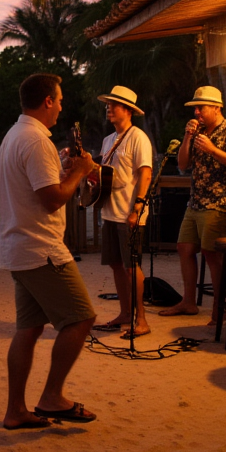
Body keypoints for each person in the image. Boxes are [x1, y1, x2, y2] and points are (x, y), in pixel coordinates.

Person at [0, 73, 100, 430]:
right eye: (59, 99)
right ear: (47, 102)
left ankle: (15, 410)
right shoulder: (36, 140)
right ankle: (52, 396)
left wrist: (65, 170)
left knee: (28, 329)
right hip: (41, 248)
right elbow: (53, 198)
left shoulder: (15, 135)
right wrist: (82, 171)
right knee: (82, 318)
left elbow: (41, 184)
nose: (61, 106)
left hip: (18, 246)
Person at [159, 86, 226, 320]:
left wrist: (212, 149)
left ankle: (221, 308)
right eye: (195, 108)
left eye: (201, 108)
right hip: (195, 202)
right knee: (184, 248)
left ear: (217, 107)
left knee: (211, 253)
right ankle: (188, 302)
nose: (197, 112)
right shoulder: (197, 131)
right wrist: (188, 137)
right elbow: (181, 164)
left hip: (219, 203)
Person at [93, 85, 154, 339]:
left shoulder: (138, 137)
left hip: (129, 212)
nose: (109, 107)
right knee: (117, 266)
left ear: (127, 110)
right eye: (108, 104)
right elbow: (101, 174)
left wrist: (138, 207)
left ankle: (141, 319)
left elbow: (145, 172)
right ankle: (124, 314)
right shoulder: (108, 140)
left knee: (131, 266)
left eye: (114, 104)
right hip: (109, 211)